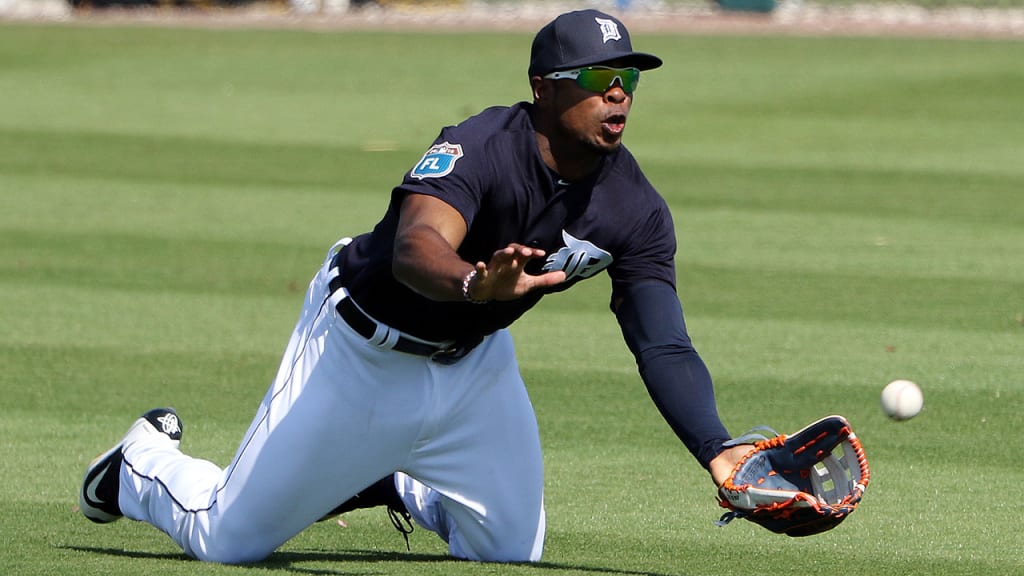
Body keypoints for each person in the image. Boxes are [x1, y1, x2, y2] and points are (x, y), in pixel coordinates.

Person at [78, 9, 752, 565]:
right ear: (545, 88)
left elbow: (661, 343)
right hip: (360, 354)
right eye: (601, 76)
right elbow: (414, 247)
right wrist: (469, 283)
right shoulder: (480, 146)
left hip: (474, 373)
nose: (620, 92)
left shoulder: (634, 208)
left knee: (509, 551)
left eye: (630, 75)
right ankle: (138, 462)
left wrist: (718, 450)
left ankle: (400, 480)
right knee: (228, 540)